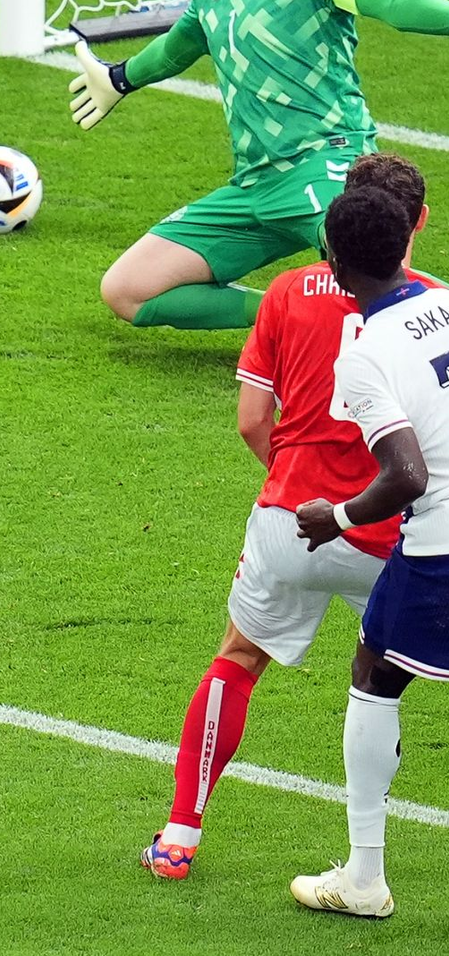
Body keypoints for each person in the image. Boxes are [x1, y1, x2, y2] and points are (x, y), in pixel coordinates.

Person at [141, 155, 435, 880]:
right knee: (381, 683)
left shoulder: (285, 291)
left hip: (292, 521)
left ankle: (180, 832)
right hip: (386, 532)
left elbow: (250, 419)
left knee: (237, 659)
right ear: (417, 223)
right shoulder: (436, 307)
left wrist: (295, 481)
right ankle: (366, 853)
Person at [67, 0, 449, 332]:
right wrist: (119, 79)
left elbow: (390, 2)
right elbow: (176, 48)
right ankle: (289, 318)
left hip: (325, 163)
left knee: (375, 276)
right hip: (254, 185)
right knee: (127, 290)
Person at [288, 188, 449, 917]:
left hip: (438, 549)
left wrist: (339, 516)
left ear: (336, 265)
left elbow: (408, 474)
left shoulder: (366, 352)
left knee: (375, 673)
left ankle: (364, 878)